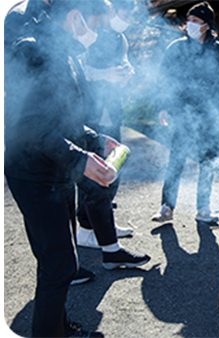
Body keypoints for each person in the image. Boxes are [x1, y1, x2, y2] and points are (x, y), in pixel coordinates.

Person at [4, 0, 121, 335]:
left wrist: (97, 140)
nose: (96, 33)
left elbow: (65, 119)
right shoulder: (33, 51)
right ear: (75, 17)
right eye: (95, 25)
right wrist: (78, 158)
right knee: (59, 265)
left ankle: (59, 326)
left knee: (60, 260)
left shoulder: (63, 52)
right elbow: (26, 121)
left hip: (55, 172)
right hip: (33, 174)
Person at [151, 1, 219, 223]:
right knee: (176, 160)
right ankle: (166, 206)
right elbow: (163, 79)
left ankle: (203, 207)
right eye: (189, 20)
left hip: (211, 117)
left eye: (196, 21)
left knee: (207, 162)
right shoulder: (176, 48)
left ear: (207, 25)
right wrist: (162, 106)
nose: (190, 24)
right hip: (181, 114)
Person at [76, 0, 136, 249]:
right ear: (111, 11)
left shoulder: (121, 38)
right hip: (89, 112)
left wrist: (126, 73)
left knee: (113, 169)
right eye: (124, 13)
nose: (127, 19)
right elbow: (79, 70)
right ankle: (85, 228)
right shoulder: (88, 34)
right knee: (90, 171)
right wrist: (105, 75)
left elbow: (124, 63)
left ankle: (104, 222)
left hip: (112, 112)